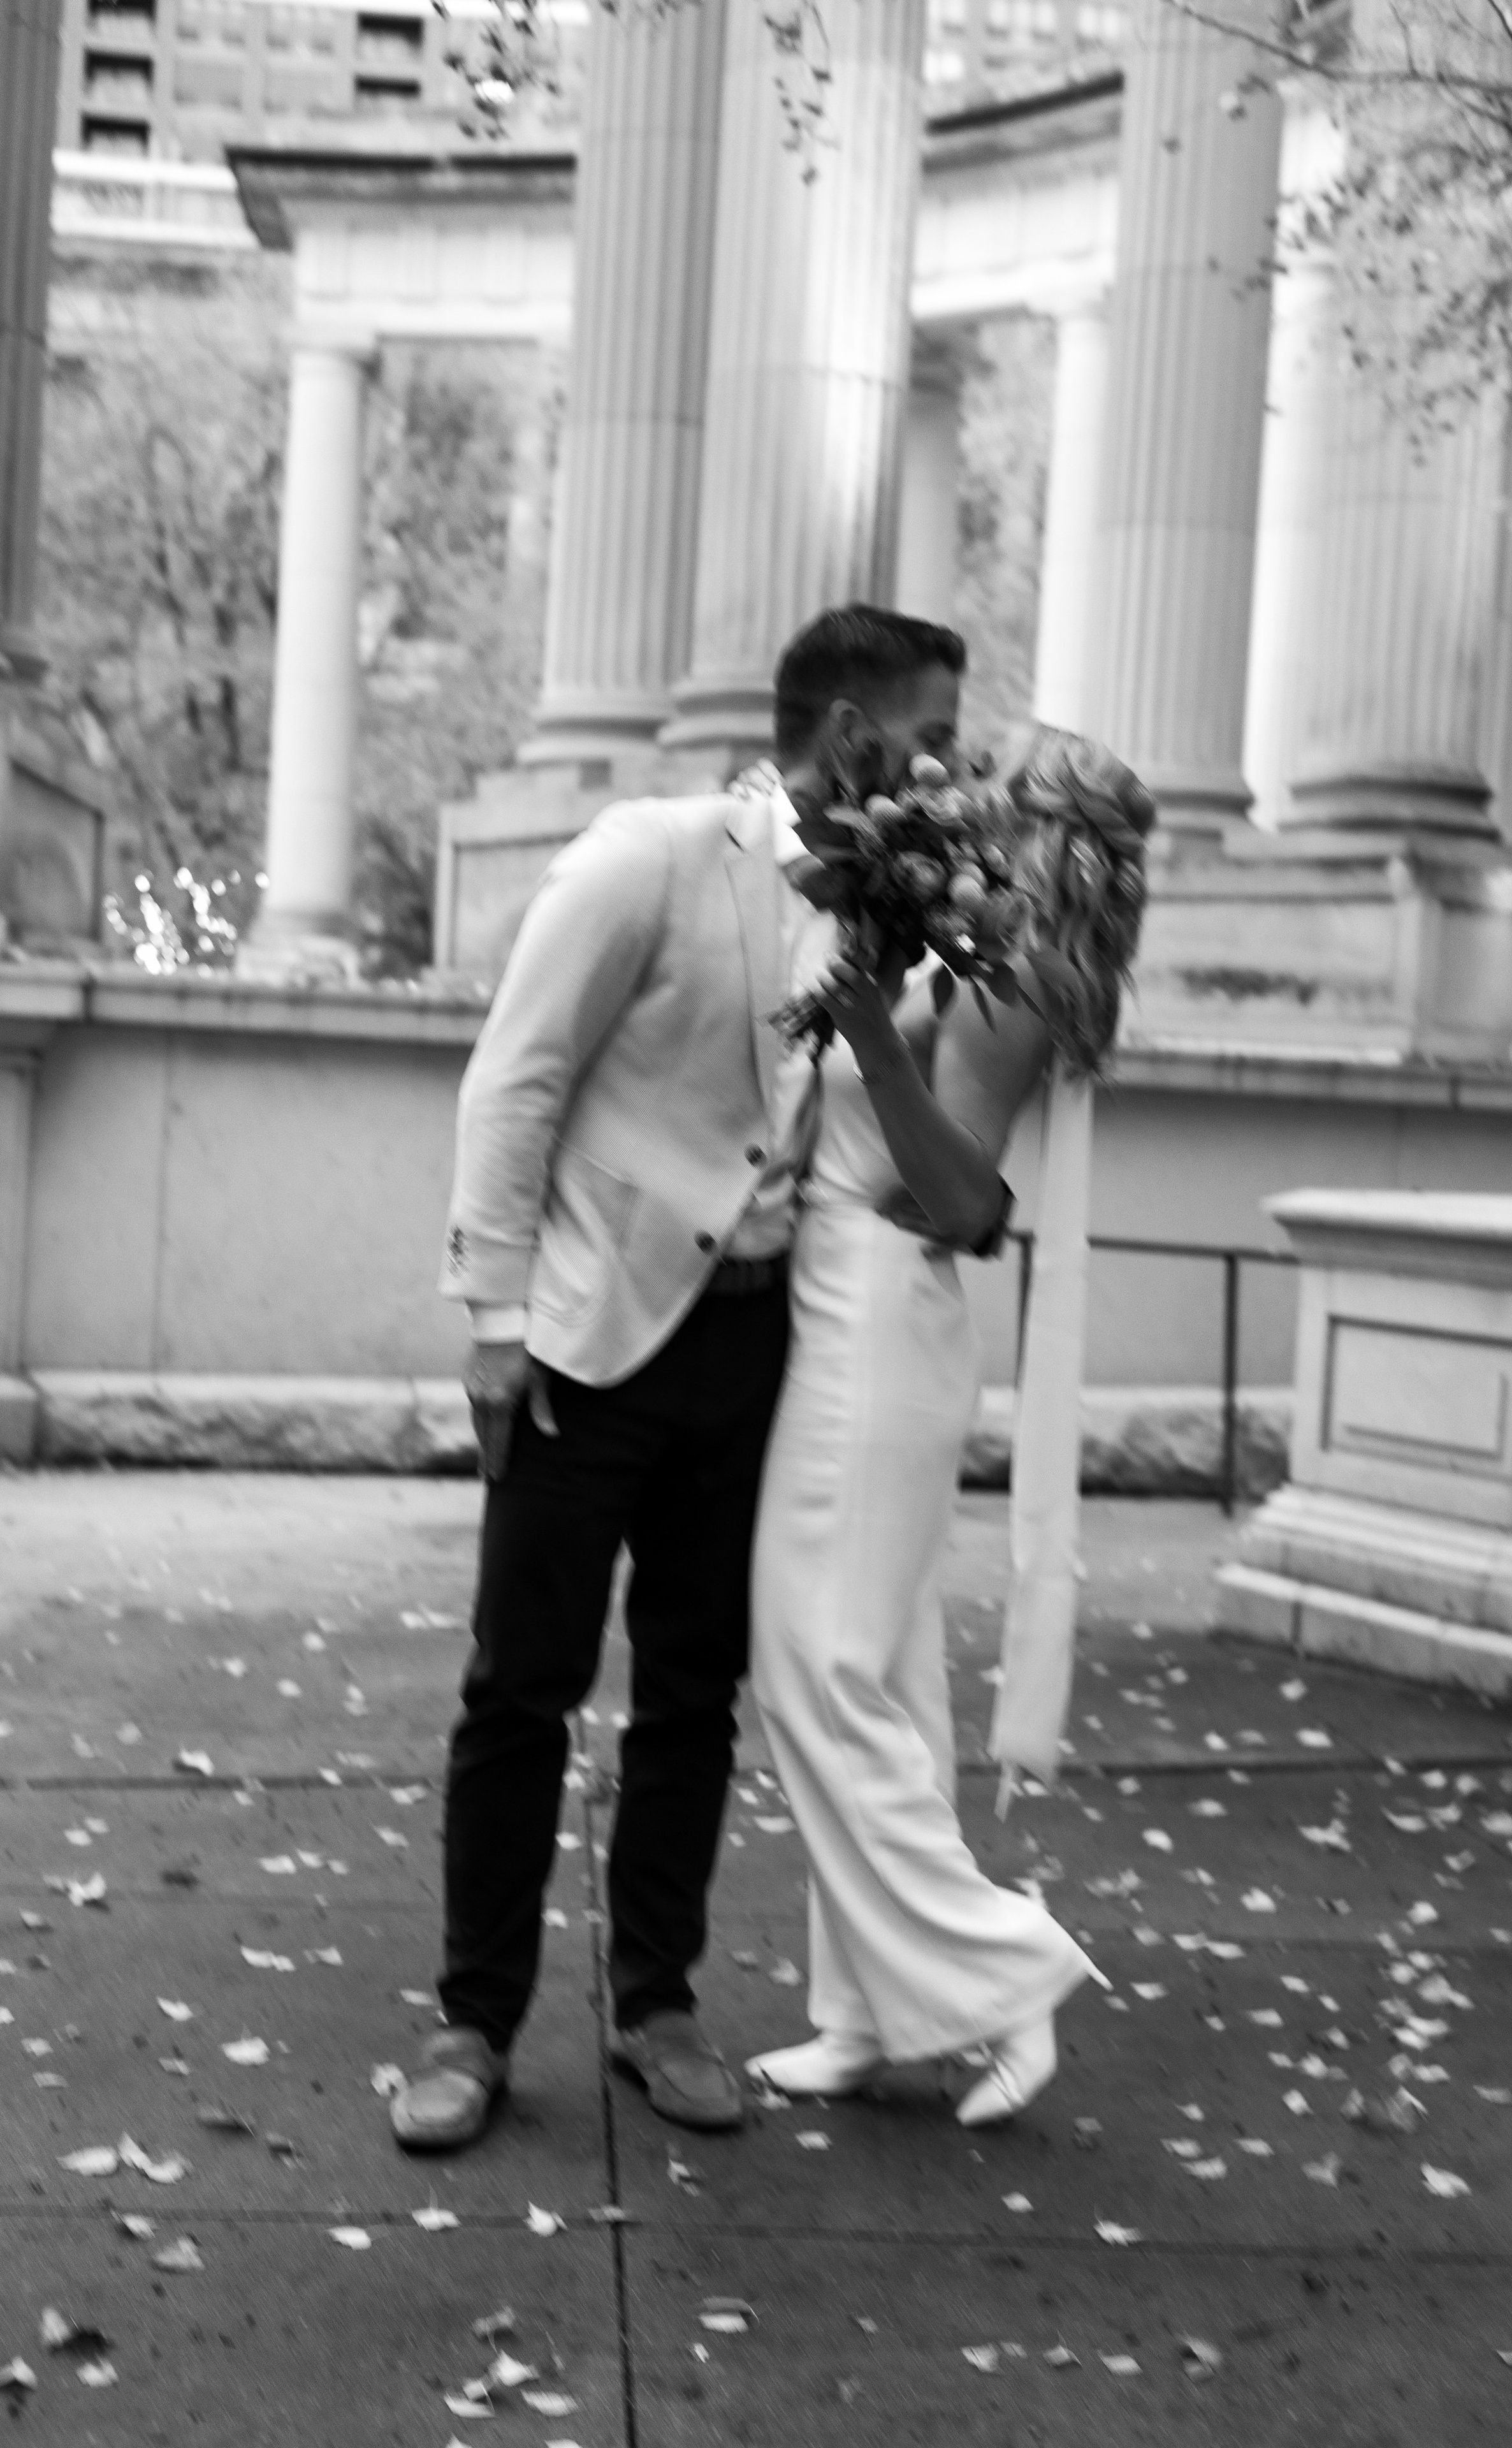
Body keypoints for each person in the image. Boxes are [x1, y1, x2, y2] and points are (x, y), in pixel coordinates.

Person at [389, 605, 964, 2152]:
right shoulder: (641, 856)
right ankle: (473, 2023)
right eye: (935, 740)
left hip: (755, 1344)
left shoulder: (885, 910)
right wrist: (495, 1325)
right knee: (522, 1686)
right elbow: (513, 1080)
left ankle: (656, 2006)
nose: (952, 773)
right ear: (853, 740)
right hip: (585, 1341)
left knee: (692, 1695)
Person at [746, 723, 1154, 2125]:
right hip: (843, 1297)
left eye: (994, 792)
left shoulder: (1020, 984)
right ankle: (865, 2012)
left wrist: (868, 1031)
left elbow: (959, 1196)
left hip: (876, 1305)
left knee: (819, 1667)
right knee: (886, 1677)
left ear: (1037, 836)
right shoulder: (970, 943)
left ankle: (1006, 1969)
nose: (961, 799)